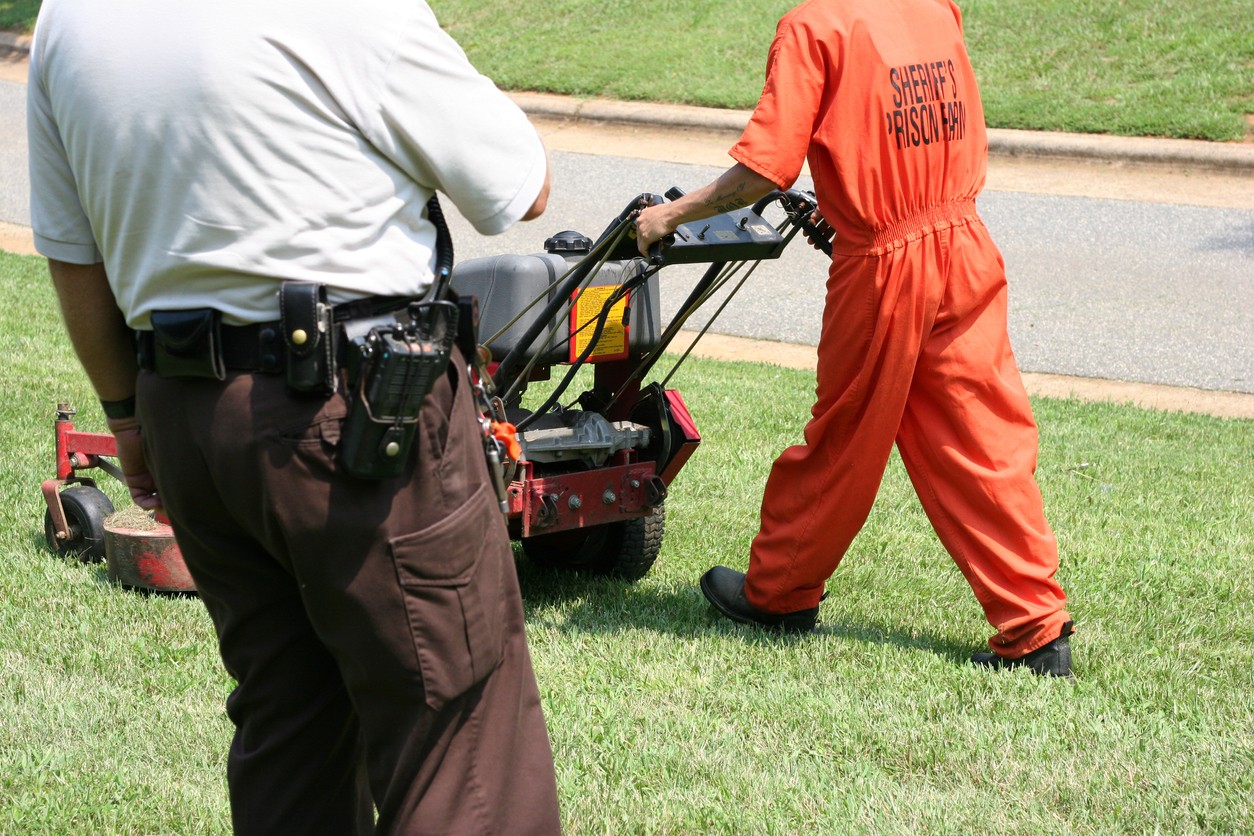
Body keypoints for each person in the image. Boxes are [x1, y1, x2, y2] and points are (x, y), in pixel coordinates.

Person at [28, 0, 564, 831]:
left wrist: (126, 421)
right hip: (356, 413)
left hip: (187, 415)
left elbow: (72, 252)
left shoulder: (69, 16)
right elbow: (521, 185)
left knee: (288, 727)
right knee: (456, 744)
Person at [635, 0, 1074, 677]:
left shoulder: (813, 26)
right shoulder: (934, 8)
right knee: (984, 435)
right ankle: (1037, 627)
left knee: (843, 437)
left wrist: (671, 215)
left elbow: (764, 171)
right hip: (964, 242)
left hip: (885, 266)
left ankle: (779, 594)